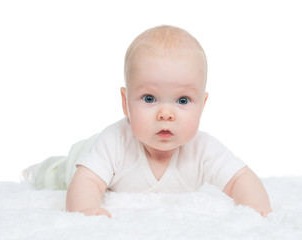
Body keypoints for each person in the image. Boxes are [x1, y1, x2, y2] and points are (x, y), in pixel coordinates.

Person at [28, 25, 272, 218]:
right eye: (149, 98)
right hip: (83, 158)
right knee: (57, 176)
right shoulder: (114, 142)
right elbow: (87, 181)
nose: (166, 114)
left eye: (183, 100)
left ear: (202, 105)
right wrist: (86, 209)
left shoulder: (203, 148)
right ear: (125, 103)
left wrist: (255, 207)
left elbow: (241, 178)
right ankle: (40, 169)